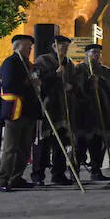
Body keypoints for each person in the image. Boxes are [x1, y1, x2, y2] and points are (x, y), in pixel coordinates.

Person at [0, 34, 42, 192]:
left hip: (28, 111)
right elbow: (9, 84)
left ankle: (16, 177)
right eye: (26, 46)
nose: (29, 49)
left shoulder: (28, 64)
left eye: (30, 47)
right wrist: (28, 82)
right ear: (17, 46)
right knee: (11, 148)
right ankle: (3, 179)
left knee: (24, 148)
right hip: (15, 110)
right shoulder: (11, 62)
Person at [31, 36, 74, 185]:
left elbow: (73, 81)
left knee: (61, 143)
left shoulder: (69, 63)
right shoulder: (42, 61)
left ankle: (58, 174)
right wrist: (54, 75)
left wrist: (72, 87)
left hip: (63, 108)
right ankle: (38, 175)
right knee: (43, 142)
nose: (64, 49)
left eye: (66, 46)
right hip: (48, 107)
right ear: (54, 46)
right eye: (62, 46)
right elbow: (38, 81)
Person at [72, 43, 110, 182]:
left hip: (99, 112)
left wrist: (100, 82)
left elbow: (109, 86)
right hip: (84, 113)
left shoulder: (102, 70)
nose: (96, 55)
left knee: (97, 144)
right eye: (93, 52)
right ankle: (75, 171)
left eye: (98, 53)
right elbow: (77, 89)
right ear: (86, 54)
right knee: (80, 144)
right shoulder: (79, 69)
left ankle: (96, 170)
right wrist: (89, 83)